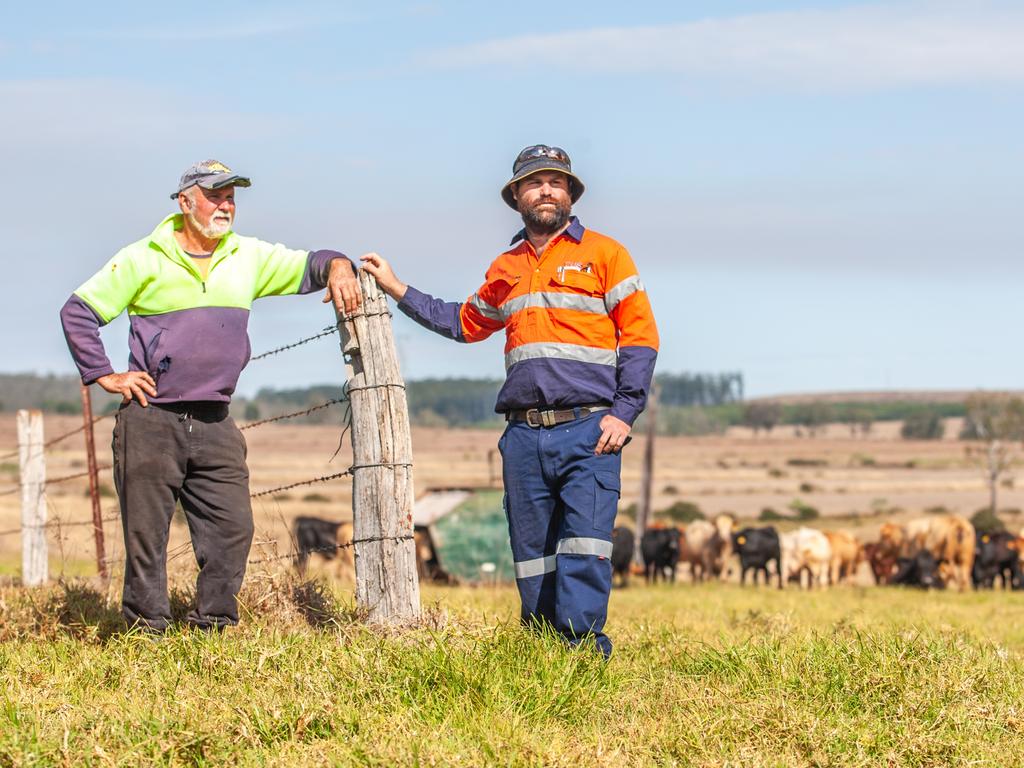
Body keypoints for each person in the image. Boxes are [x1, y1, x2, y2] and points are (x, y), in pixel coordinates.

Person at [362, 145, 658, 656]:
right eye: (535, 182)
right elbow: (462, 323)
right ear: (517, 195)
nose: (547, 190)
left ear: (570, 194)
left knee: (585, 548)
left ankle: (583, 658)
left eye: (557, 182)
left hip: (590, 430)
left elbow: (641, 338)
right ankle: (540, 653)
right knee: (531, 553)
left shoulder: (607, 255)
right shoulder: (506, 267)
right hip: (523, 436)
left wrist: (624, 412)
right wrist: (396, 287)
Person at [59, 159, 361, 632]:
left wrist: (341, 267)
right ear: (185, 202)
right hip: (150, 416)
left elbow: (313, 263)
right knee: (147, 535)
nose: (225, 205)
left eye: (231, 197)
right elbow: (78, 312)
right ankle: (146, 631)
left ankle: (213, 626)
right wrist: (104, 374)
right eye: (215, 195)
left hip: (216, 419)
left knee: (233, 529)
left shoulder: (248, 256)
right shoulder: (142, 257)